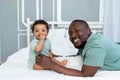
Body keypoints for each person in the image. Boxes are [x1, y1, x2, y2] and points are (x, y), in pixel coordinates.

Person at [35, 19, 120, 77]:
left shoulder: (96, 46)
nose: (72, 35)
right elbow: (83, 51)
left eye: (77, 31)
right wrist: (56, 56)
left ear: (88, 31)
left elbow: (86, 73)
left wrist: (51, 64)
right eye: (70, 33)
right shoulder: (86, 41)